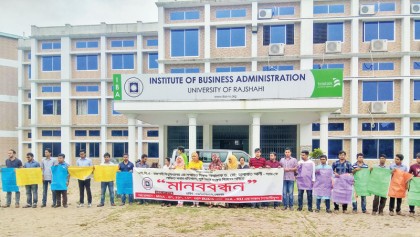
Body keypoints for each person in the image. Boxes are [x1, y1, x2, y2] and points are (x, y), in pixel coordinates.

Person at [408, 153, 420, 217]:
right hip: (414, 185)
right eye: (417, 158)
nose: (418, 159)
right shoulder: (412, 166)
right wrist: (411, 177)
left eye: (419, 158)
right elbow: (409, 174)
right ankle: (411, 211)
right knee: (412, 197)